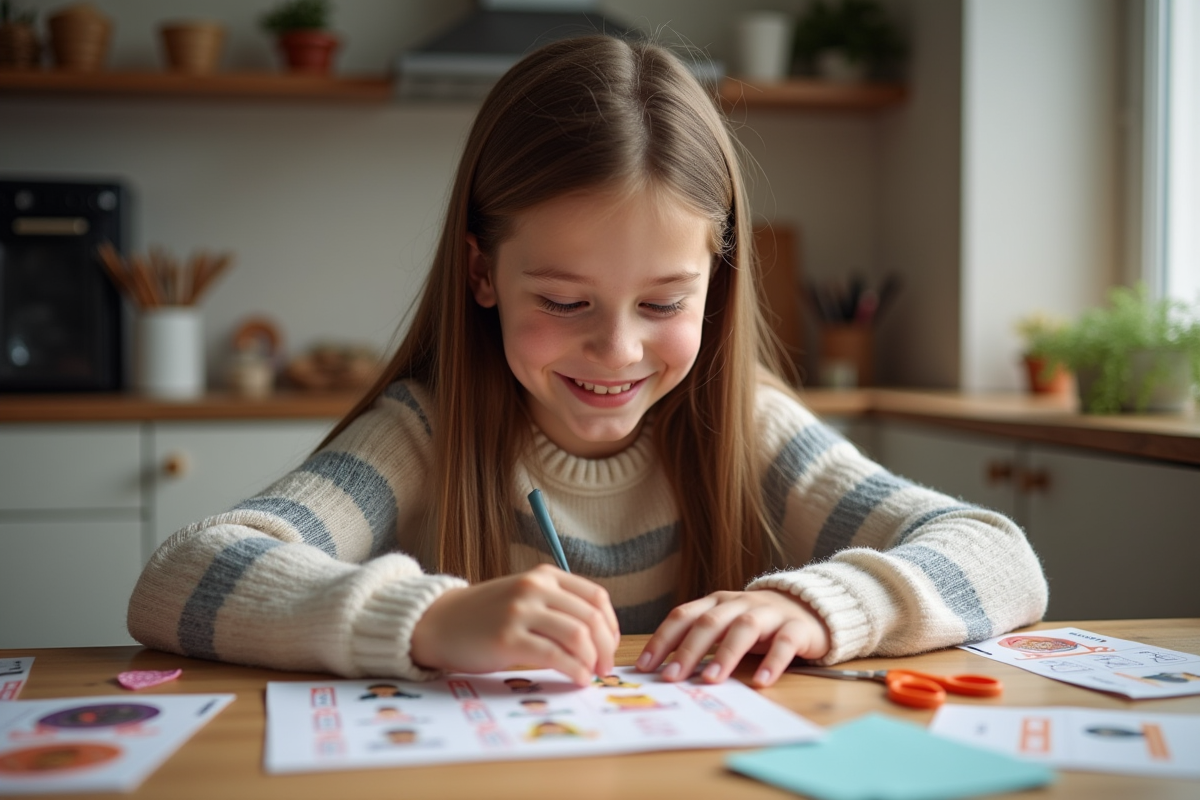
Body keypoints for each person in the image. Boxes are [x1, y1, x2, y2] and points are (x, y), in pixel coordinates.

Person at [127, 35, 1047, 690]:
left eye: (663, 303)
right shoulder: (427, 429)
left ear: (716, 286)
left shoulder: (746, 422)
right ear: (483, 273)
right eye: (564, 303)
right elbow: (183, 576)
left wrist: (820, 606)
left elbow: (1001, 558)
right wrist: (430, 621)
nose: (617, 350)